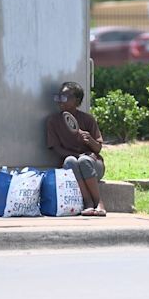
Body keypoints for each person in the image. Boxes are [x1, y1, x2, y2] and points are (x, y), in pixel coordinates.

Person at [46, 81, 106, 216]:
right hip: (72, 165)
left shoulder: (88, 119)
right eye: (59, 97)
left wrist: (90, 140)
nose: (60, 101)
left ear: (77, 100)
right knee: (70, 161)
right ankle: (88, 203)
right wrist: (77, 156)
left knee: (84, 160)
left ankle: (98, 202)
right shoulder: (53, 121)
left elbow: (98, 149)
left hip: (93, 165)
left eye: (65, 98)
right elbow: (56, 149)